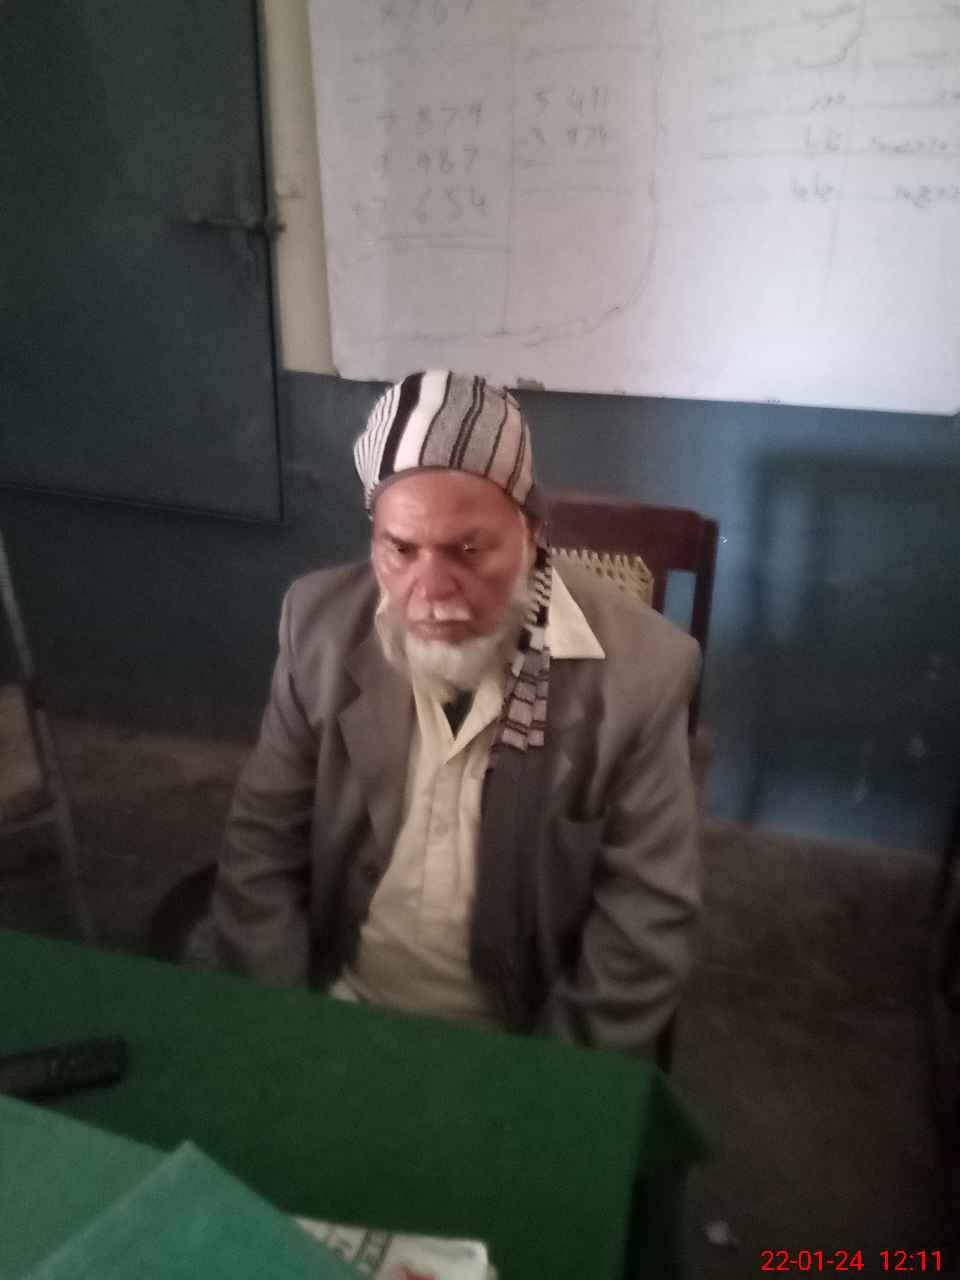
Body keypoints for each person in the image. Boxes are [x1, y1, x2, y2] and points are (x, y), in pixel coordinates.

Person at [211, 370, 701, 1057]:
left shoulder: (640, 675)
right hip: (333, 1007)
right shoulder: (317, 628)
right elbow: (261, 845)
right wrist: (285, 1030)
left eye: (468, 550)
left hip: (518, 1048)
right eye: (401, 550)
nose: (432, 590)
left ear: (531, 533)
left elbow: (645, 923)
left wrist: (545, 1087)